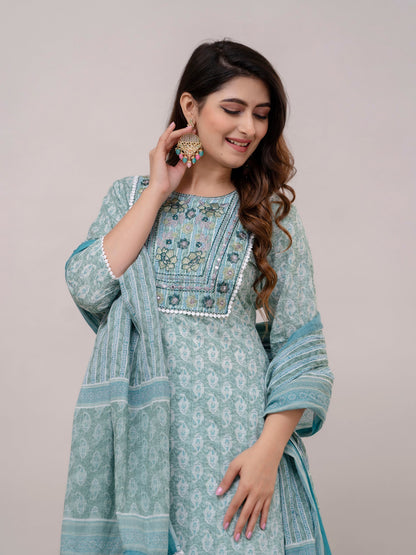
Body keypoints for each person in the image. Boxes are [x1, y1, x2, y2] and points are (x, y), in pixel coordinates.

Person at [60, 39, 334, 555]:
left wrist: (267, 455)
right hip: (141, 444)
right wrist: (157, 191)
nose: (249, 127)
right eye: (233, 109)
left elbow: (301, 351)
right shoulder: (130, 196)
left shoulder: (271, 214)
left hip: (235, 443)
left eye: (261, 115)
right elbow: (89, 286)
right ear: (191, 107)